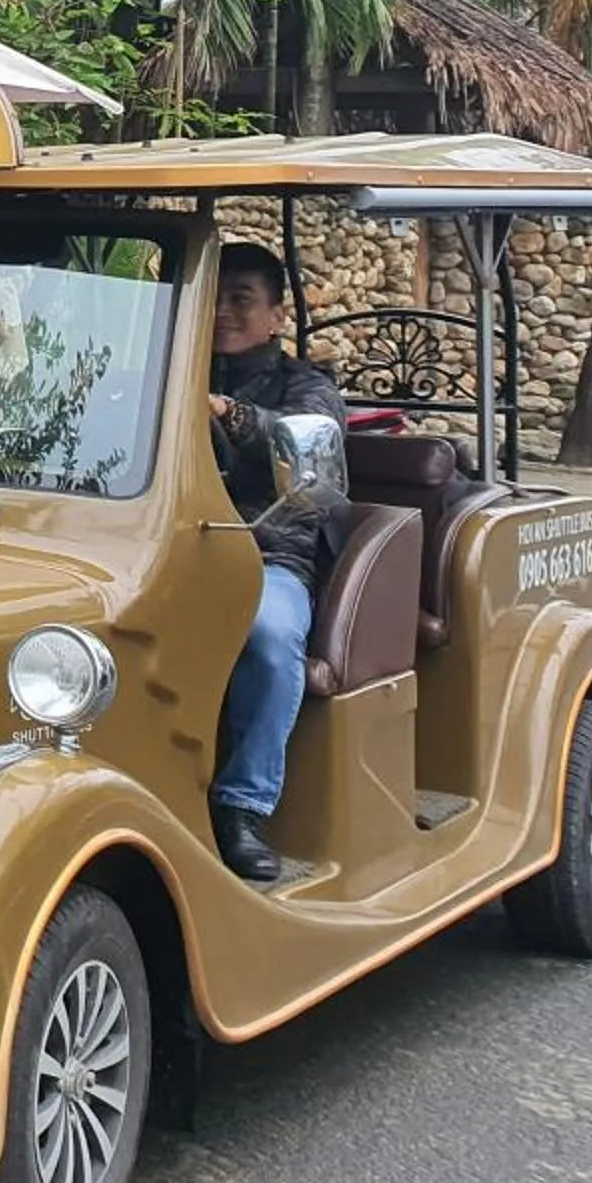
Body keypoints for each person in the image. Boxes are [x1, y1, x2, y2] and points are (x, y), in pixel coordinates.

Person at [205, 241, 347, 884]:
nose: (224, 314)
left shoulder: (307, 387)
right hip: (169, 547)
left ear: (277, 316)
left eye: (242, 300)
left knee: (265, 634)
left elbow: (307, 440)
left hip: (270, 557)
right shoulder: (161, 374)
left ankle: (242, 805)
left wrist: (229, 413)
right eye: (215, 298)